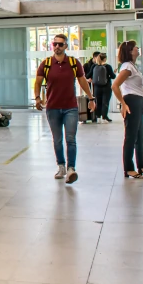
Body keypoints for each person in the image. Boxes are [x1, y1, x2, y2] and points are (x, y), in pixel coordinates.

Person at [33, 33, 96, 184]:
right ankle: (61, 166)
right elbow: (37, 82)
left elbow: (82, 82)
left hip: (70, 108)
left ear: (66, 46)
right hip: (53, 108)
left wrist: (91, 98)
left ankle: (71, 169)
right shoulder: (46, 63)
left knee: (71, 139)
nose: (57, 47)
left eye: (60, 44)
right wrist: (37, 98)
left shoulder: (74, 63)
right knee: (57, 140)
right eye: (54, 44)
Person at [112, 41, 143, 179]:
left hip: (138, 102)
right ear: (130, 51)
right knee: (131, 136)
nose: (138, 49)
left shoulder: (132, 66)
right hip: (131, 102)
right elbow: (115, 86)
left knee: (140, 136)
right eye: (135, 47)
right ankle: (129, 168)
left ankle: (142, 165)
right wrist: (123, 104)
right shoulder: (126, 67)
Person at [91, 54, 116, 123]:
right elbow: (113, 76)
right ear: (105, 59)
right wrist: (113, 73)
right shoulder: (108, 66)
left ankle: (97, 117)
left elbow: (89, 75)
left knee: (98, 102)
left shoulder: (94, 66)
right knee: (105, 102)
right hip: (106, 87)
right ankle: (104, 116)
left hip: (96, 87)